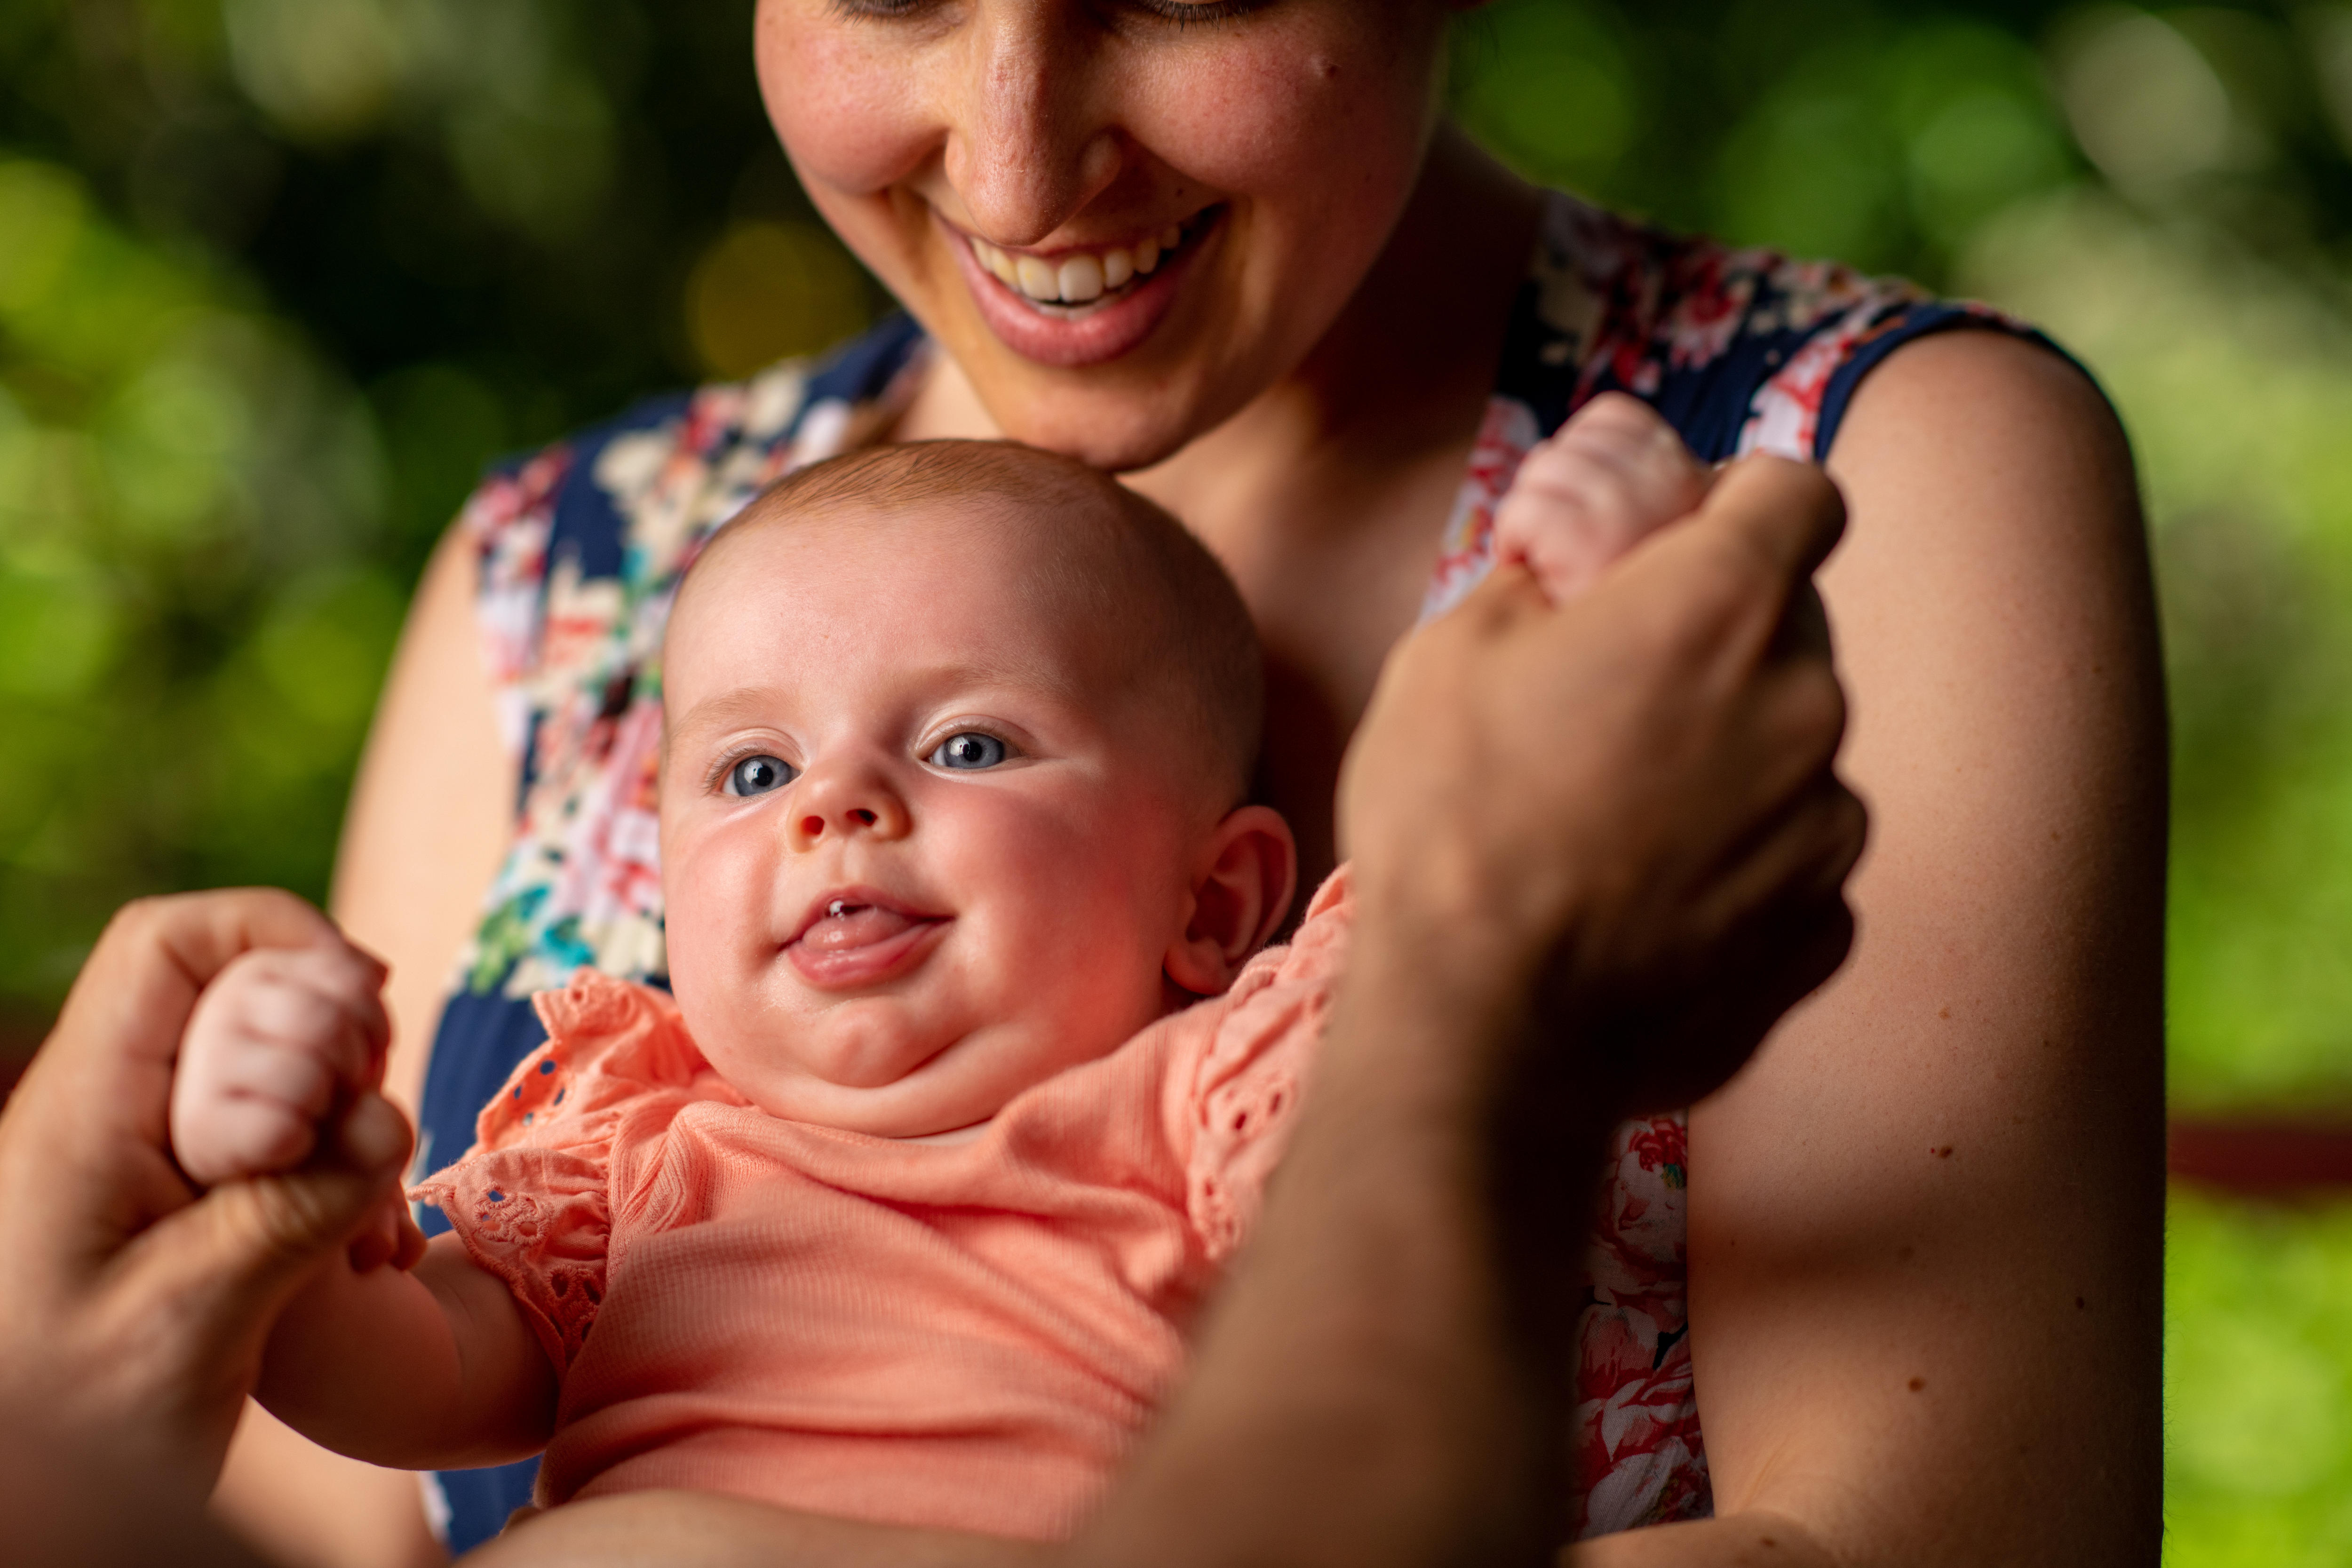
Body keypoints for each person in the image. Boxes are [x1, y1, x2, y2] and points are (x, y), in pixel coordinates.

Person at [228, 3, 2169, 1563]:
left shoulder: (1823, 489)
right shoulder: (569, 570)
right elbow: (315, 1491)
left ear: (1232, 901)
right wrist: (264, 1205)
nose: (1013, 158)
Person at [0, 449, 1866, 1568]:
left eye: (967, 742)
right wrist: (285, 1202)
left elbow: (1518, 886)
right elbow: (401, 1390)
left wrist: (1595, 587)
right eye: (745, 775)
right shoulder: (637, 1154)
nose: (833, 805)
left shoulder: (1213, 1096)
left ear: (1215, 903)